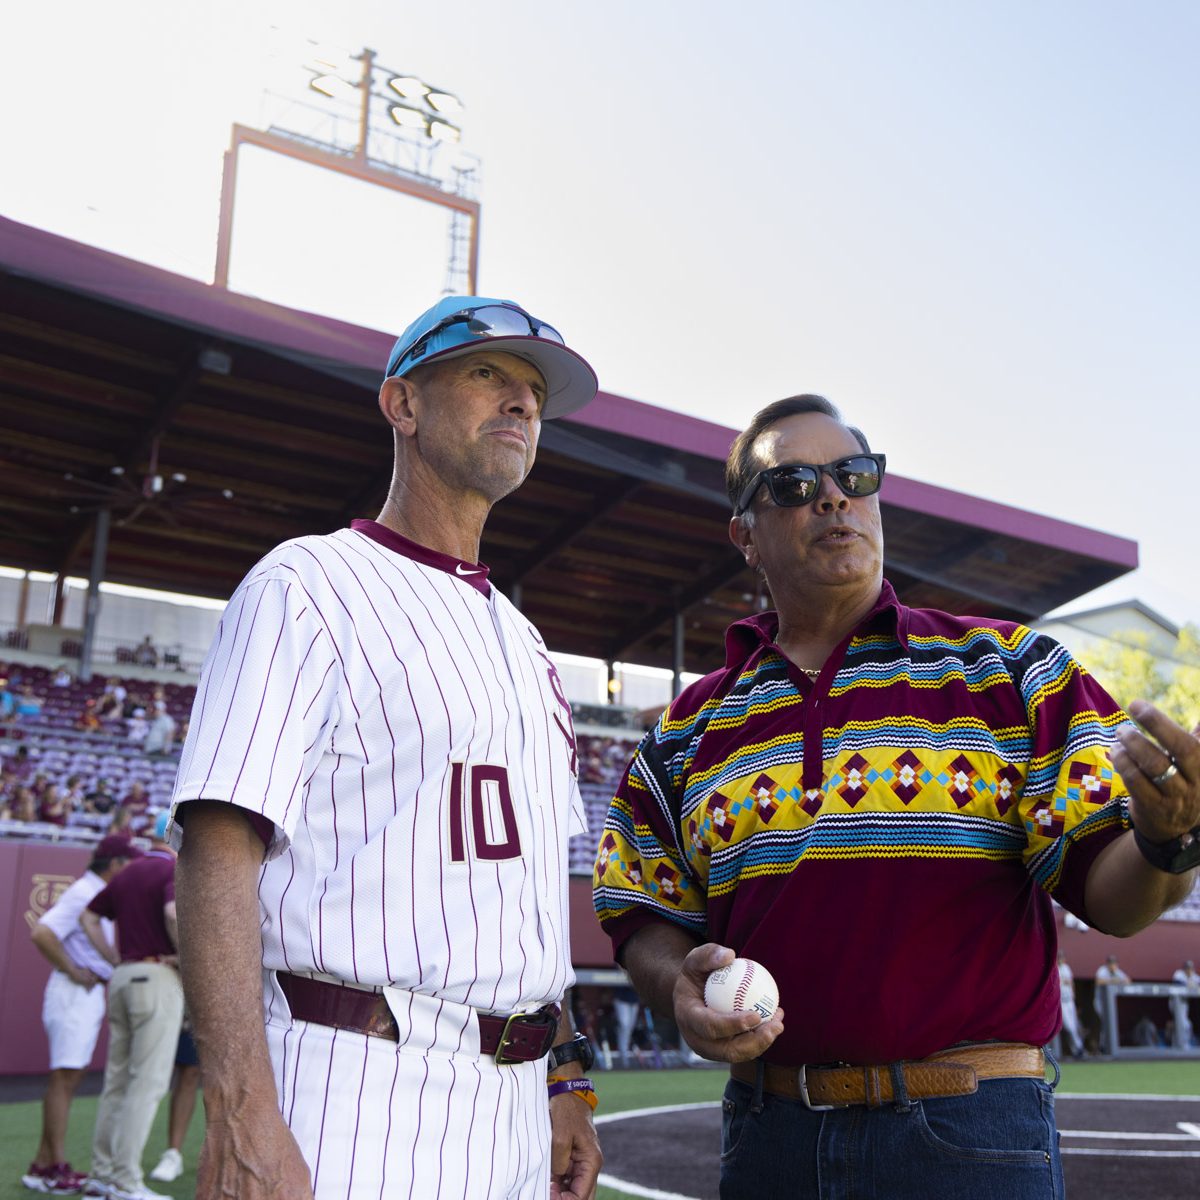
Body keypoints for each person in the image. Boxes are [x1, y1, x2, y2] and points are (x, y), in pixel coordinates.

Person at [593, 394, 1200, 1200]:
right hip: (771, 1137)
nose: (833, 496)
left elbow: (1114, 900)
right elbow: (642, 908)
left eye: (854, 474)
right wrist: (676, 984)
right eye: (793, 484)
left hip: (973, 1137)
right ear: (744, 534)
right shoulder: (687, 725)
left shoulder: (1013, 673)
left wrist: (1172, 841)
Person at [171, 296, 604, 1200]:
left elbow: (525, 891)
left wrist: (564, 1074)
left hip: (518, 1100)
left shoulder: (528, 644)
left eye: (533, 389)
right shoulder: (307, 582)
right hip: (355, 1077)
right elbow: (218, 846)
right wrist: (242, 1109)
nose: (522, 403)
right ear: (401, 404)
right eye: (488, 374)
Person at [23, 835, 142, 1196]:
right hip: (73, 992)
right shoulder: (82, 892)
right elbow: (42, 933)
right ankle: (55, 1166)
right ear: (115, 864)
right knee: (64, 1078)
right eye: (130, 863)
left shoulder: (93, 892)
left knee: (67, 1078)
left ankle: (43, 1166)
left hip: (81, 994)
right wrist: (74, 970)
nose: (133, 870)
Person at [80, 812, 183, 1200]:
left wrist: (113, 960)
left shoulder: (127, 872)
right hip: (156, 976)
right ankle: (125, 1180)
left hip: (123, 977)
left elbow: (89, 917)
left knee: (118, 1082)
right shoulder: (172, 870)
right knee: (148, 1082)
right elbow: (173, 914)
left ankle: (102, 1176)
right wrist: (185, 957)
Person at [146, 1024, 202, 1184]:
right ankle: (172, 1154)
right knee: (185, 1069)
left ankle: (226, 1154)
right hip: (184, 1007)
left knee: (193, 1072)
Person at [1093, 955, 1132, 1054]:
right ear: (1107, 964)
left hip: (1110, 1004)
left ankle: (1105, 1046)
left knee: (1108, 1023)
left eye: (1114, 963)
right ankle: (1103, 1047)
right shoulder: (1102, 970)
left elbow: (1128, 981)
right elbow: (1099, 981)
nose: (1112, 965)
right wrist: (1112, 981)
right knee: (1106, 1023)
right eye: (1111, 963)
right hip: (1100, 1002)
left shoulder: (1116, 971)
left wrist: (1118, 979)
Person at [1057, 954, 1085, 1058]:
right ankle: (1078, 1047)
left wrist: (1074, 996)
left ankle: (1077, 1050)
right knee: (1068, 1026)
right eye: (1059, 958)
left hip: (1069, 1000)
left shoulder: (1066, 968)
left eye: (1062, 958)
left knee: (1074, 1025)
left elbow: (1071, 982)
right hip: (1061, 1001)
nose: (1060, 960)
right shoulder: (1055, 968)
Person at [1170, 959, 1200, 1049]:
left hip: (1185, 1003)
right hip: (1175, 1001)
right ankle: (1182, 1045)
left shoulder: (1194, 976)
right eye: (1187, 968)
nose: (1189, 970)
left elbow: (1197, 982)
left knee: (1183, 1024)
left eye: (1190, 968)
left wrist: (1193, 984)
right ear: (1184, 968)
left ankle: (1177, 1045)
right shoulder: (1179, 974)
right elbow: (1177, 983)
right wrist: (1189, 984)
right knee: (1183, 1024)